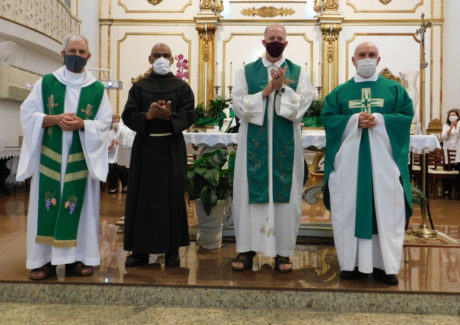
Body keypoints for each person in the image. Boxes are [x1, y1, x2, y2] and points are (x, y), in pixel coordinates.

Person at [16, 33, 112, 280]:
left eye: (81, 52)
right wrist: (52, 119)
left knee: (80, 210)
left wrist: (83, 124)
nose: (76, 56)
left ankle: (77, 260)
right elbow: (28, 113)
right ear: (63, 54)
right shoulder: (47, 82)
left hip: (81, 159)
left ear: (88, 56)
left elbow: (104, 123)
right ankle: (43, 261)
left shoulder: (97, 89)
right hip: (50, 159)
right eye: (72, 51)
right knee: (47, 206)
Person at [321, 42, 414, 285]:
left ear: (379, 59)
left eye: (371, 55)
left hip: (384, 164)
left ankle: (386, 266)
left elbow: (405, 117)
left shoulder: (394, 90)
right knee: (349, 209)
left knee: (387, 211)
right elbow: (329, 119)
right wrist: (353, 121)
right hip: (349, 166)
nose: (366, 58)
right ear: (353, 60)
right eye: (362, 55)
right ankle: (350, 264)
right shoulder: (340, 93)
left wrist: (380, 120)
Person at [231, 24, 314, 272]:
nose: (275, 41)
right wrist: (268, 90)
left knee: (286, 200)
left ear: (286, 43)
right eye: (271, 38)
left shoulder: (298, 72)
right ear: (264, 42)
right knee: (248, 196)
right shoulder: (246, 72)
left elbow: (303, 104)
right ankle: (246, 251)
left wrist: (283, 89)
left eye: (280, 38)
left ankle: (283, 254)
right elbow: (239, 106)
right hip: (253, 146)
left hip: (285, 144)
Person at [122, 43, 195, 268]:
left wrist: (168, 116)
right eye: (157, 55)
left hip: (171, 148)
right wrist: (149, 115)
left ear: (172, 60)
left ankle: (172, 250)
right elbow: (128, 115)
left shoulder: (182, 87)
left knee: (171, 198)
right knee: (142, 198)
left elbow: (190, 114)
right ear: (149, 58)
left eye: (165, 55)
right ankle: (140, 251)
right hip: (145, 148)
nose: (161, 58)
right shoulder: (139, 87)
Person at [107, 114, 132, 194]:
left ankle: (125, 186)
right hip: (111, 158)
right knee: (111, 168)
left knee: (121, 168)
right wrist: (111, 146)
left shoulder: (124, 133)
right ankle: (113, 187)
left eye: (118, 122)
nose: (116, 123)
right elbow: (105, 150)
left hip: (121, 157)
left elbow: (128, 146)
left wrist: (120, 144)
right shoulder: (108, 134)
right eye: (114, 121)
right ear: (111, 123)